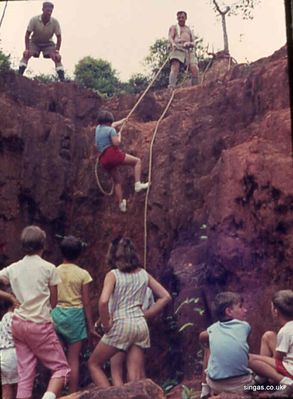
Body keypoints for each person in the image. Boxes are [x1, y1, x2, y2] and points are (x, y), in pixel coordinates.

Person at [88, 236, 171, 388]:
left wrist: (106, 325)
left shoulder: (113, 275)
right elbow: (165, 296)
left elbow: (103, 301)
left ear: (113, 255)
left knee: (94, 364)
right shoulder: (143, 274)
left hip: (121, 325)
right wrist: (147, 314)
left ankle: (112, 397)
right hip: (140, 325)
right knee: (135, 378)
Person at [0, 225, 70, 399]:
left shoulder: (13, 268)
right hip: (39, 324)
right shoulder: (49, 268)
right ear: (43, 245)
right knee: (61, 368)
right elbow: (54, 300)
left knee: (25, 376)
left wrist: (10, 297)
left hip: (18, 325)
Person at [52, 235, 98, 394]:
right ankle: (72, 394)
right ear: (79, 254)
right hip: (75, 316)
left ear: (61, 252)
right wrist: (90, 326)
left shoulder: (54, 271)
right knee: (73, 359)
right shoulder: (83, 274)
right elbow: (86, 302)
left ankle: (55, 393)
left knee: (57, 360)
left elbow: (51, 298)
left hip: (56, 314)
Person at [199, 291, 253, 396]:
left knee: (208, 347)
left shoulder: (212, 329)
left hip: (215, 384)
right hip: (242, 385)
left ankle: (204, 390)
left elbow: (202, 336)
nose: (245, 310)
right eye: (240, 307)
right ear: (229, 311)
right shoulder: (245, 326)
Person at [95, 110, 149, 213]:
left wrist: (122, 121)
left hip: (103, 159)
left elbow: (112, 125)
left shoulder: (98, 128)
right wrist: (119, 136)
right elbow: (116, 143)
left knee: (117, 181)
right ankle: (138, 184)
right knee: (137, 161)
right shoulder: (111, 131)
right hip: (112, 154)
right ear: (109, 121)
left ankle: (121, 204)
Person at [109, 287, 155, 386]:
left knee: (116, 371)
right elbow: (152, 308)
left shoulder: (115, 285)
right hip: (139, 327)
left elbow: (110, 311)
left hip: (119, 328)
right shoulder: (146, 288)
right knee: (136, 373)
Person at [249, 290, 293, 387]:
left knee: (249, 358)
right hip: (287, 363)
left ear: (275, 312)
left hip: (290, 369)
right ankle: (262, 378)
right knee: (268, 336)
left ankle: (284, 381)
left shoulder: (285, 330)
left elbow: (278, 358)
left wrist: (263, 363)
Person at [18, 2, 65, 81]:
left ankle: (62, 79)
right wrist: (26, 48)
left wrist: (57, 51)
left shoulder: (55, 22)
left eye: (51, 11)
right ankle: (19, 75)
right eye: (47, 10)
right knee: (26, 54)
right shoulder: (34, 20)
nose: (49, 13)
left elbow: (59, 38)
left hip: (48, 44)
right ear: (43, 9)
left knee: (57, 58)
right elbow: (27, 35)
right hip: (34, 42)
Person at [168, 11, 199, 89]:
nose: (181, 19)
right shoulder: (174, 27)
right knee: (175, 66)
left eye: (182, 17)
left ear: (186, 18)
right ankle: (171, 87)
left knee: (194, 67)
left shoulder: (189, 30)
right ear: (177, 18)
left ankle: (195, 87)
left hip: (188, 50)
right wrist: (173, 43)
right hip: (177, 47)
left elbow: (194, 42)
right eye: (179, 18)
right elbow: (170, 37)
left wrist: (189, 43)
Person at [0, 297, 18, 399]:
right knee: (19, 386)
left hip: (2, 354)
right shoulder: (13, 317)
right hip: (13, 354)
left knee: (6, 387)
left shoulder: (2, 320)